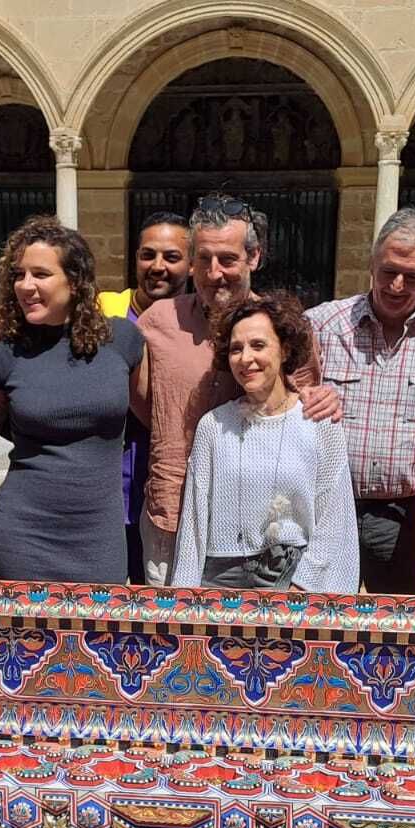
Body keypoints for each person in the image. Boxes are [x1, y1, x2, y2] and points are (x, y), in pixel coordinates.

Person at [133, 194, 338, 586]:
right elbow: (145, 403)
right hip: (171, 520)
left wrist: (325, 398)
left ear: (254, 257)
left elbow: (305, 410)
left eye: (227, 259)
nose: (214, 273)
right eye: (204, 259)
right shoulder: (157, 322)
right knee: (178, 639)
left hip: (258, 536)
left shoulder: (284, 331)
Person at [306, 207, 415, 594]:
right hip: (327, 513)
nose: (397, 285)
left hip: (405, 517)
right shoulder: (321, 325)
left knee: (398, 631)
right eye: (388, 272)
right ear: (372, 263)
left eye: (412, 277)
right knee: (322, 626)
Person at [0, 217, 144, 583]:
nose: (26, 286)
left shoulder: (123, 341)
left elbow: (149, 418)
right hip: (25, 533)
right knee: (25, 641)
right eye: (19, 275)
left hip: (99, 534)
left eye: (40, 274)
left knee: (101, 639)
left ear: (75, 279)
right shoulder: (3, 350)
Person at [171, 292, 357, 593]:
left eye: (258, 345)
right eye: (235, 349)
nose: (246, 359)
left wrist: (305, 586)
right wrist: (184, 596)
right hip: (220, 580)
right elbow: (193, 523)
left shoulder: (318, 421)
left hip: (291, 577)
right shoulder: (213, 426)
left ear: (284, 350)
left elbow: (334, 518)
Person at [99, 212, 193, 583]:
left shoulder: (201, 324)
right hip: (108, 498)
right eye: (148, 255)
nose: (158, 266)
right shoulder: (101, 314)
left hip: (172, 504)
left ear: (190, 262)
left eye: (171, 257)